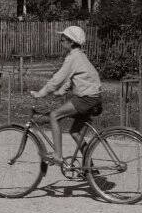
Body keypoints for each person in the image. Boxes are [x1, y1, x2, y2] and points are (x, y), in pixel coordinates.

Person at [30, 25, 103, 166]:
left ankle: (57, 156)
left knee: (53, 116)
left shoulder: (73, 58)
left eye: (62, 39)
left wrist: (41, 93)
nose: (60, 41)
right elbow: (73, 78)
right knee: (75, 131)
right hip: (93, 97)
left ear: (71, 42)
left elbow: (58, 78)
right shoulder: (79, 56)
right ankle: (90, 168)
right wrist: (60, 92)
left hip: (86, 98)